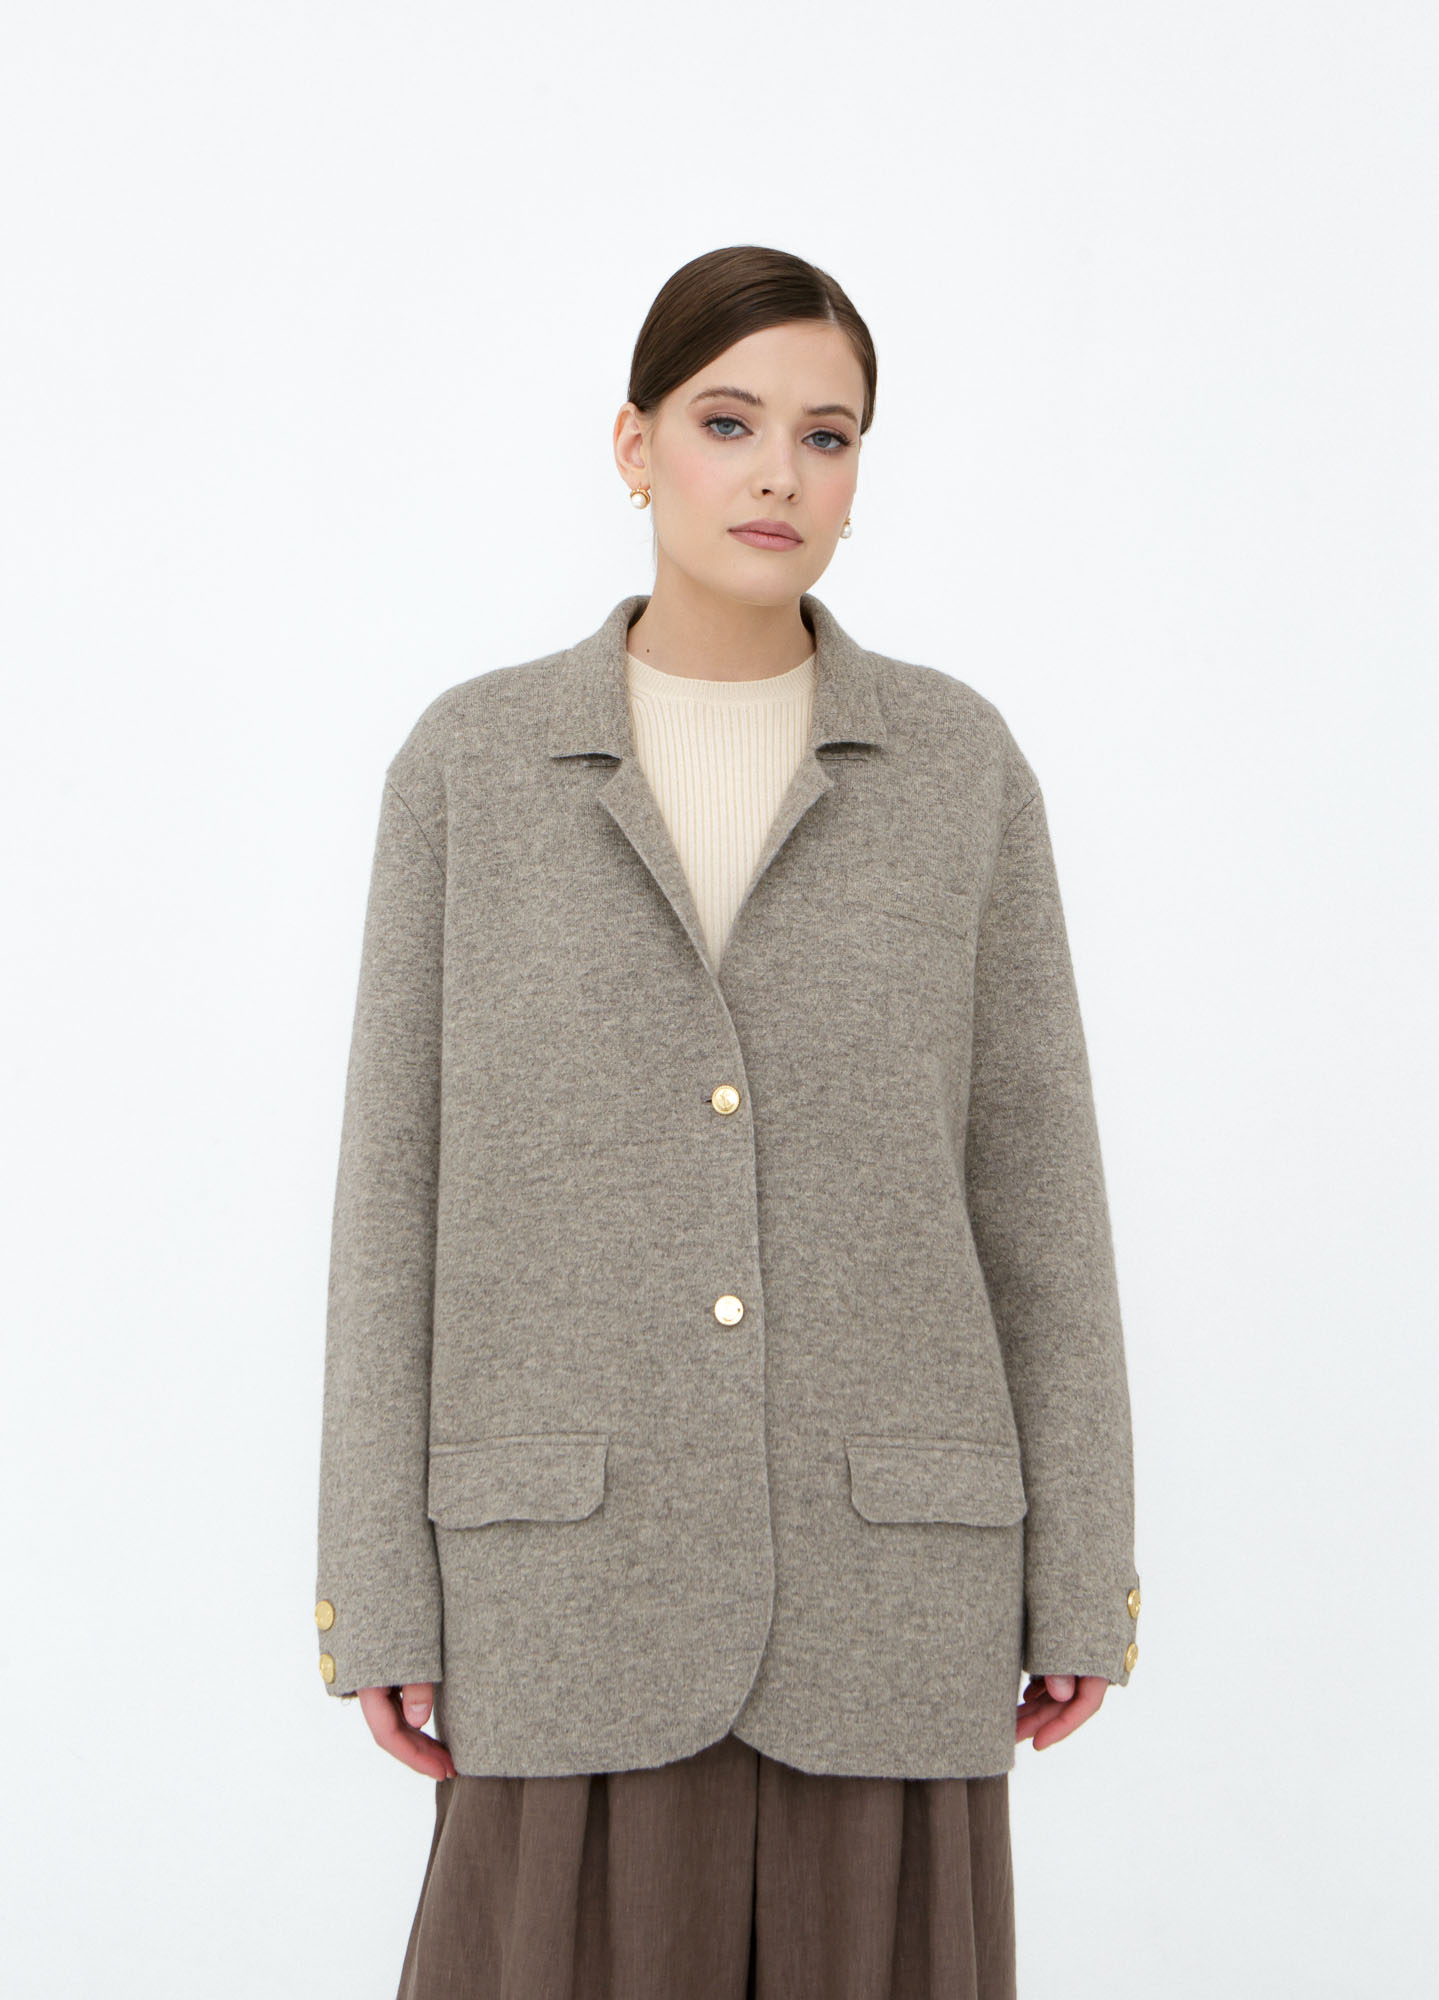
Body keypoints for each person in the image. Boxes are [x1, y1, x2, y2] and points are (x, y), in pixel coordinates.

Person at [314, 244, 1142, 2000]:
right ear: (634, 446)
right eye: (728, 422)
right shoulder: (470, 767)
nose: (780, 473)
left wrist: (1082, 1569)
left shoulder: (960, 769)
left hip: (888, 1587)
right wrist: (374, 1583)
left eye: (827, 436)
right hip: (566, 1591)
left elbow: (1039, 1199)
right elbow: (394, 1195)